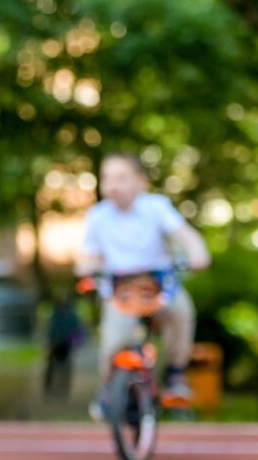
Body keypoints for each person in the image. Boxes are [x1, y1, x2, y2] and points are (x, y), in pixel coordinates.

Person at [75, 151, 211, 419]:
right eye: (107, 178)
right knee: (113, 342)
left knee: (181, 312)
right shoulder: (98, 216)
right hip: (120, 289)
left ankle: (175, 374)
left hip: (158, 284)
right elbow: (88, 254)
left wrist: (197, 253)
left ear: (141, 182)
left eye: (122, 177)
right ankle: (108, 390)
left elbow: (186, 236)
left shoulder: (156, 207)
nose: (113, 184)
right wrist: (85, 266)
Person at [43, 289, 83, 399]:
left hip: (65, 344)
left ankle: (62, 389)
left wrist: (75, 342)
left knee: (64, 367)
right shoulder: (57, 313)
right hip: (56, 343)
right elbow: (51, 329)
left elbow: (75, 330)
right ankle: (50, 389)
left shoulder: (69, 314)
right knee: (52, 367)